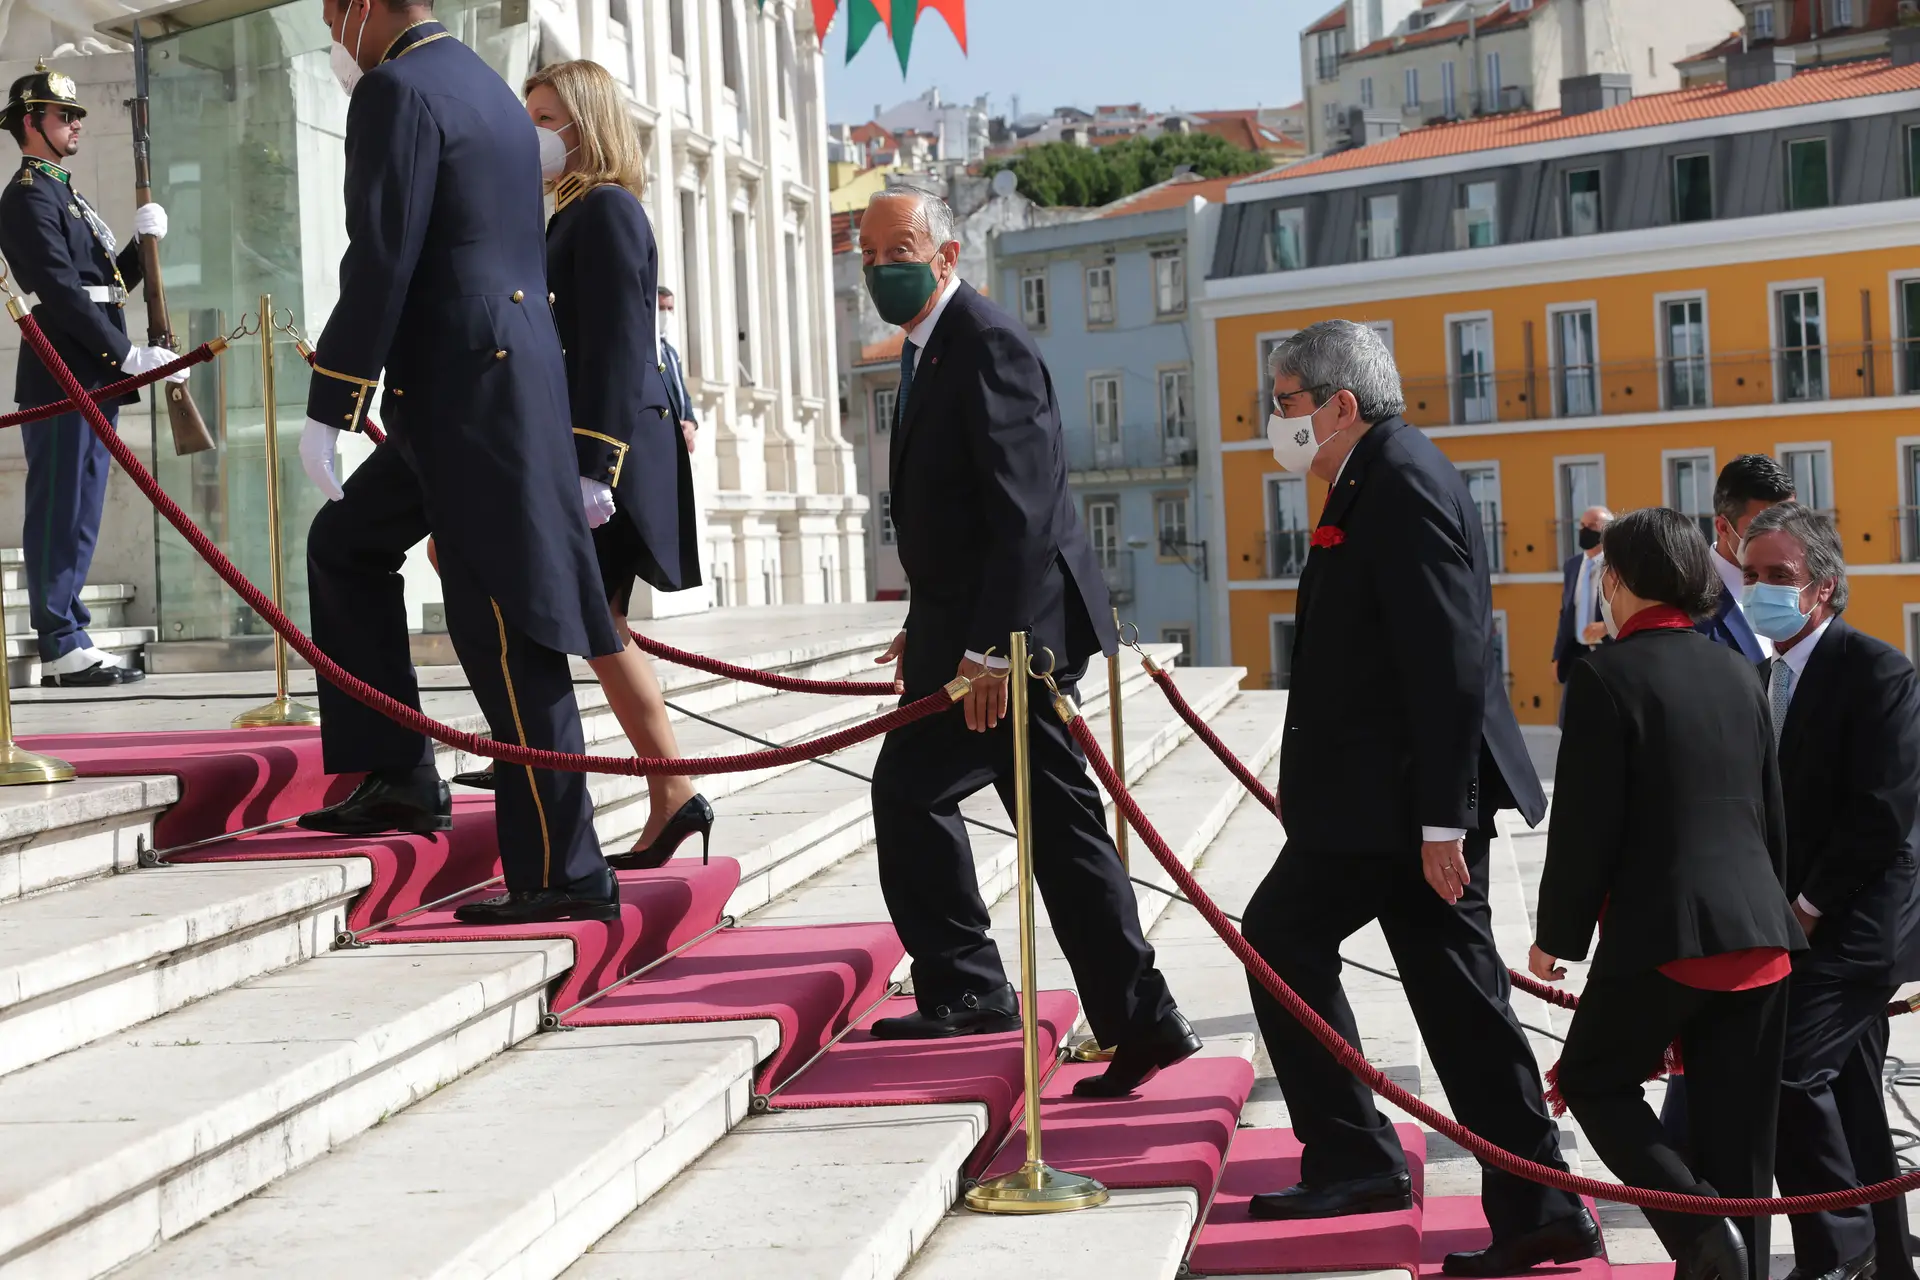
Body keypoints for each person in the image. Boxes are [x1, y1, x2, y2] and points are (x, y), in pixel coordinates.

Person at [1240, 320, 1598, 1277]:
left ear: (1339, 404)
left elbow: (1448, 662)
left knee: (1285, 938)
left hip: (1401, 811)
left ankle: (1368, 1160)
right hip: (1381, 804)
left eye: (1284, 403)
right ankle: (1530, 1202)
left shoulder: (1400, 481)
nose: (1275, 421)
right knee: (1460, 1003)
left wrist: (1445, 819)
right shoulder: (1377, 473)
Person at [859, 183, 1199, 1096]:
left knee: (956, 804)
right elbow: (957, 515)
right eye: (868, 256)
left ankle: (1002, 992)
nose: (880, 269)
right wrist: (925, 624)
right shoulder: (930, 348)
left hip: (1013, 645)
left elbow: (1024, 514)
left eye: (897, 252)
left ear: (946, 256)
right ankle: (1115, 1012)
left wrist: (989, 650)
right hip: (972, 632)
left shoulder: (987, 342)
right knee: (1041, 826)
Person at [293, 0, 622, 926]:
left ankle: (566, 870)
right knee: (346, 545)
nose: (335, 35)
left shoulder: (397, 88)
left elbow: (382, 253)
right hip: (478, 386)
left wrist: (333, 397)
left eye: (334, 14)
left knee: (505, 628)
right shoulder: (484, 86)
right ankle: (398, 769)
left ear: (362, 6)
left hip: (467, 396)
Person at [1532, 506, 1803, 1280]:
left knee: (1592, 1079)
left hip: (1668, 934)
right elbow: (1770, 813)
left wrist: (1555, 940)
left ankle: (1699, 1232)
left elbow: (1583, 828)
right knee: (1739, 1145)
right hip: (1760, 932)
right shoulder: (1741, 671)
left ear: (1615, 581)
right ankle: (1729, 1255)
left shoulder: (1604, 675)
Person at [511, 59, 709, 865]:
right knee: (599, 624)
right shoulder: (569, 213)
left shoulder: (607, 210)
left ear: (586, 125)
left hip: (614, 450)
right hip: (591, 447)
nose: (532, 133)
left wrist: (597, 466)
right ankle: (668, 789)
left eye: (546, 118)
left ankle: (673, 787)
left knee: (597, 622)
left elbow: (624, 344)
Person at [1742, 503, 1920, 1280]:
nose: (1762, 590)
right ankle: (1888, 1264)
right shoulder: (1760, 677)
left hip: (1855, 925)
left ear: (1823, 586)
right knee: (1850, 1099)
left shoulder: (1877, 670)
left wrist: (1807, 907)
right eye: (1751, 575)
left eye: (1779, 575)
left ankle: (1838, 1253)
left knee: (1785, 1076)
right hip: (1788, 924)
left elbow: (1882, 812)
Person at [0, 64, 172, 687]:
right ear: (31, 122)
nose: (75, 124)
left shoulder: (63, 193)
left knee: (83, 508)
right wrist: (123, 353)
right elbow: (60, 291)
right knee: (59, 508)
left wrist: (140, 249)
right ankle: (59, 640)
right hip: (63, 375)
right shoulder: (27, 197)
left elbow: (102, 285)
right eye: (63, 115)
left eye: (76, 115)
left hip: (91, 372)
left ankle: (72, 634)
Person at [1699, 454, 1794, 663]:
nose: (1778, 538)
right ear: (1723, 528)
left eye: (1788, 524)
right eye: (1763, 527)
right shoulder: (1688, 601)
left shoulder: (1807, 590)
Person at [1551, 505, 1612, 721]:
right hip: (1576, 654)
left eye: (1591, 526)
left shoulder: (1618, 566)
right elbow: (1565, 613)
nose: (1585, 530)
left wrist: (1607, 626)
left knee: (1605, 719)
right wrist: (1557, 655)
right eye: (1582, 525)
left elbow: (1633, 610)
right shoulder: (1572, 566)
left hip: (1608, 653)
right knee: (1570, 720)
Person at [657, 286, 697, 455]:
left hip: (680, 437)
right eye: (661, 308)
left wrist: (690, 423)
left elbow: (681, 391)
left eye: (670, 308)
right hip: (662, 435)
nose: (666, 314)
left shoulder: (670, 352)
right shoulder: (649, 351)